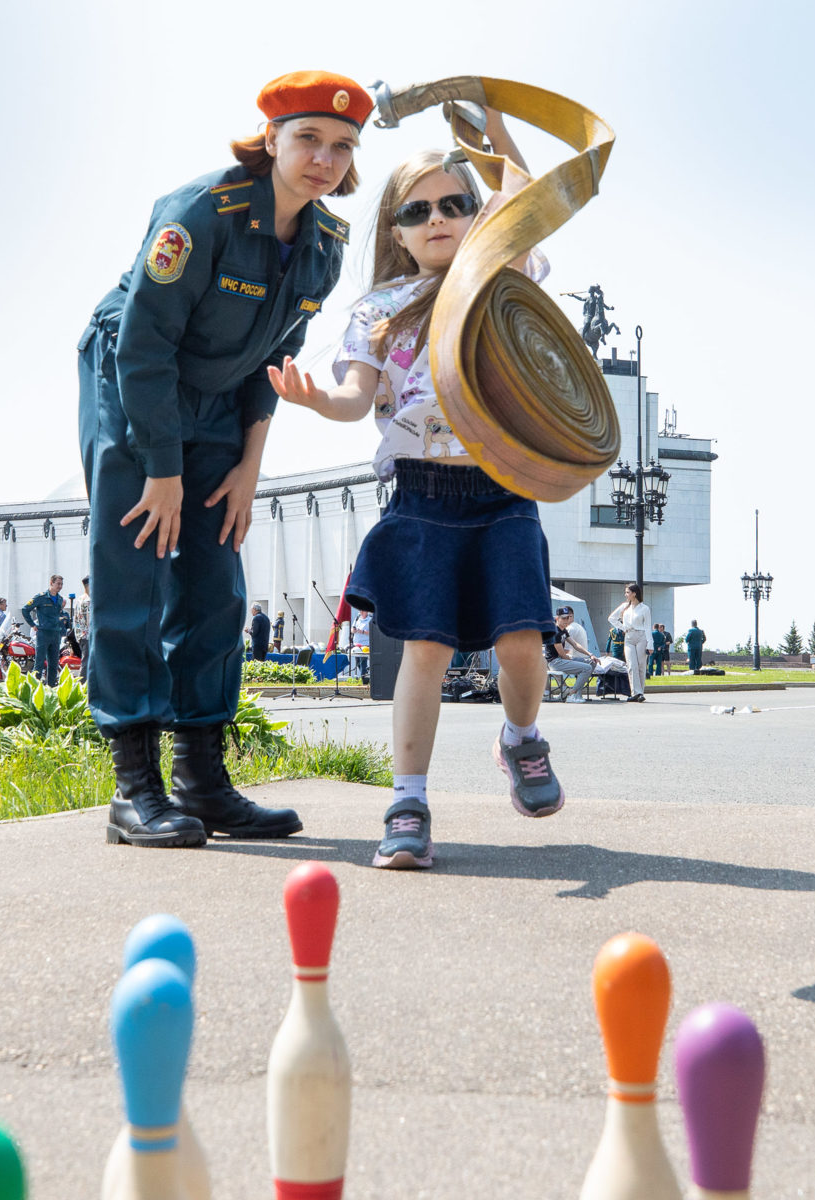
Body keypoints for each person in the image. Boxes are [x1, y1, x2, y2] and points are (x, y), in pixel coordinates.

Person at [78, 72, 366, 850]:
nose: (323, 159)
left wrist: (249, 465)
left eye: (341, 147)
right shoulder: (199, 215)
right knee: (136, 567)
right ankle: (133, 791)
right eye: (308, 138)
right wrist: (163, 470)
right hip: (134, 384)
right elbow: (142, 347)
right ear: (270, 139)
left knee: (216, 587)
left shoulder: (325, 247)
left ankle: (201, 783)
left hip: (222, 404)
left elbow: (275, 355)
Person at [267, 117, 564, 872]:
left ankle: (522, 738)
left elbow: (531, 202)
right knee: (424, 650)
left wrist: (493, 127)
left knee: (522, 640)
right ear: (397, 231)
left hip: (501, 486)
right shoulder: (380, 309)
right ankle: (408, 802)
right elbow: (351, 396)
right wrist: (314, 398)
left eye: (454, 204)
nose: (437, 219)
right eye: (417, 210)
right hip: (421, 492)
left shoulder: (500, 278)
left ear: (476, 215)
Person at [21, 575, 68, 686]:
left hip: (56, 634)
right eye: (58, 584)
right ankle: (34, 689)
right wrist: (32, 624)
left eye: (61, 584)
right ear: (51, 583)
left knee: (53, 664)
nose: (60, 586)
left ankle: (51, 689)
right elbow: (25, 609)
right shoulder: (41, 597)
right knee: (39, 663)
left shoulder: (60, 599)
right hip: (43, 634)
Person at [610, 584, 653, 701]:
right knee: (631, 665)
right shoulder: (625, 607)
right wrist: (623, 628)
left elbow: (648, 627)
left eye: (628, 592)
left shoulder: (645, 608)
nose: (626, 595)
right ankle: (636, 693)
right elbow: (612, 618)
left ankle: (640, 693)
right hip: (628, 637)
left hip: (641, 636)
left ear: (634, 593)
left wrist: (650, 644)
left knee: (641, 665)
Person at [545, 607, 596, 702]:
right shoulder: (555, 632)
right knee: (586, 668)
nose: (566, 620)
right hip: (555, 663)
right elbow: (562, 654)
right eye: (563, 618)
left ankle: (575, 693)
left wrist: (590, 654)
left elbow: (575, 644)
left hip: (561, 660)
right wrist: (572, 660)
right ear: (557, 618)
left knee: (592, 662)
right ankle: (571, 695)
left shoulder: (563, 630)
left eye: (568, 618)